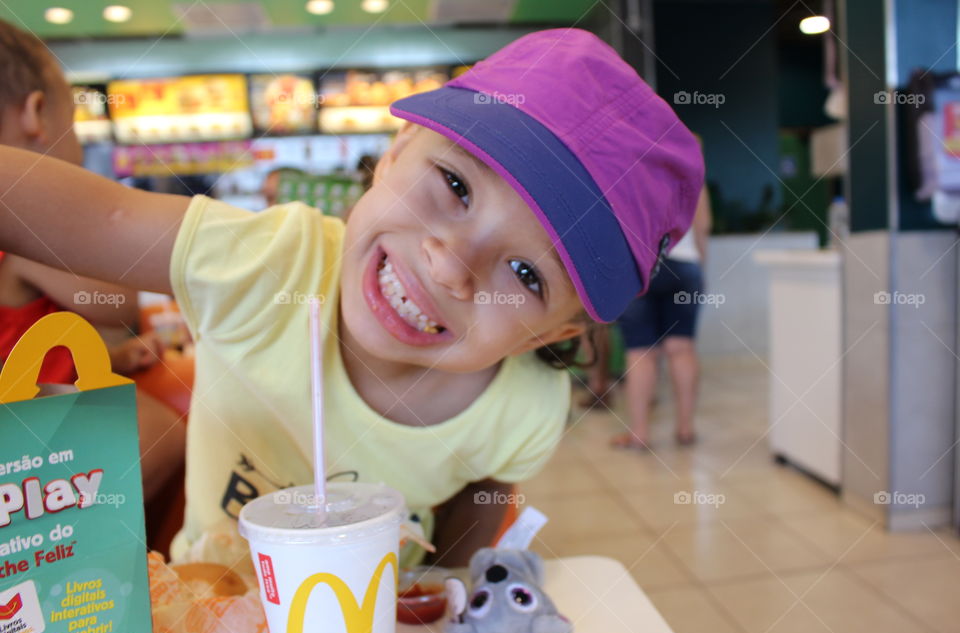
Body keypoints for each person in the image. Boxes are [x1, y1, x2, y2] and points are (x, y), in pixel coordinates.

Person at [0, 28, 703, 567]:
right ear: (394, 152)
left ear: (551, 334)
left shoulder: (521, 409)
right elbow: (100, 219)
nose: (453, 264)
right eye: (455, 185)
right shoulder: (266, 262)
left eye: (526, 275)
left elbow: (466, 537)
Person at [0, 20, 185, 501]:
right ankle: (81, 550)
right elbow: (116, 301)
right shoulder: (21, 220)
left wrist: (114, 356)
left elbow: (25, 345)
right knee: (163, 433)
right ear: (37, 116)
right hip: (30, 433)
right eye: (75, 127)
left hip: (28, 407)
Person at [611, 186, 712, 450]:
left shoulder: (630, 173)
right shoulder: (693, 177)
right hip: (686, 266)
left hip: (641, 267)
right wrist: (701, 267)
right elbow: (702, 226)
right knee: (682, 348)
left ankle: (640, 434)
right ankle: (686, 428)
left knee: (640, 352)